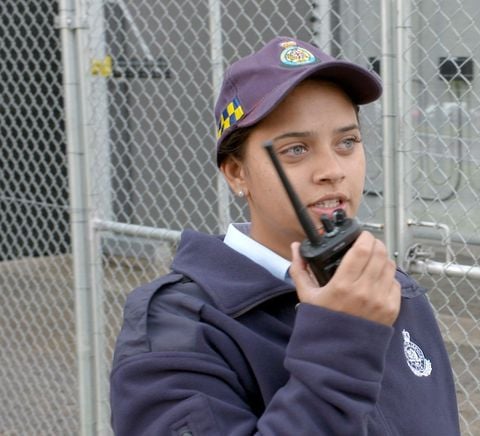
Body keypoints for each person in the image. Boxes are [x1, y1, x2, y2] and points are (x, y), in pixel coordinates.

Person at [109, 36, 461, 435]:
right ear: (236, 173)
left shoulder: (392, 289)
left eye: (347, 142)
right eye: (296, 149)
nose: (332, 169)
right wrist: (342, 342)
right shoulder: (178, 330)